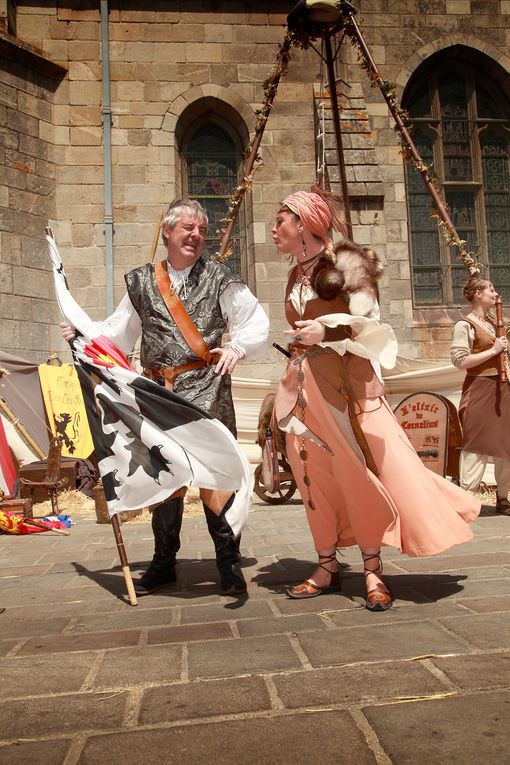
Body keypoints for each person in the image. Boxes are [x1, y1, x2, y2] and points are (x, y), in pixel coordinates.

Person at [271, 186, 481, 610]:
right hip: (305, 391)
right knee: (316, 476)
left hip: (349, 391)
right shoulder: (296, 273)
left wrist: (325, 332)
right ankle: (326, 563)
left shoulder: (348, 265)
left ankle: (371, 568)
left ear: (305, 225)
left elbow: (372, 326)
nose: (274, 229)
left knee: (361, 474)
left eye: (281, 221)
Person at [61, 199, 269, 596]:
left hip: (207, 391)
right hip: (157, 395)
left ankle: (227, 562)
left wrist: (236, 349)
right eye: (188, 228)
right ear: (168, 232)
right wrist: (83, 336)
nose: (195, 235)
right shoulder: (141, 282)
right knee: (165, 474)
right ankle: (163, 562)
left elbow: (253, 320)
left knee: (218, 478)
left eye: (202, 230)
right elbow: (117, 334)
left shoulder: (221, 278)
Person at [450, 275, 510, 515]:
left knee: (505, 443)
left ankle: (503, 497)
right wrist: (494, 349)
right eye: (491, 290)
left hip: (502, 389)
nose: (495, 294)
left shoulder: (493, 323)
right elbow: (460, 360)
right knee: (475, 444)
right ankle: (466, 499)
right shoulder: (465, 325)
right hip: (479, 388)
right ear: (478, 294)